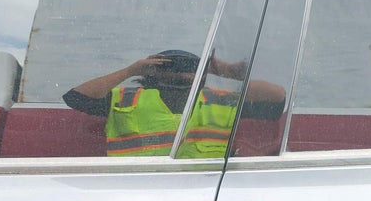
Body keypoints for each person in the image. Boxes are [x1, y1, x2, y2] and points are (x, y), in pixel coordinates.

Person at [62, 50, 285, 158]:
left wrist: (222, 71)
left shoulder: (219, 100)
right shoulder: (126, 98)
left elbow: (277, 98)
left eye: (191, 68)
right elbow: (76, 97)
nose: (181, 73)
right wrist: (130, 71)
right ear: (154, 70)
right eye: (171, 67)